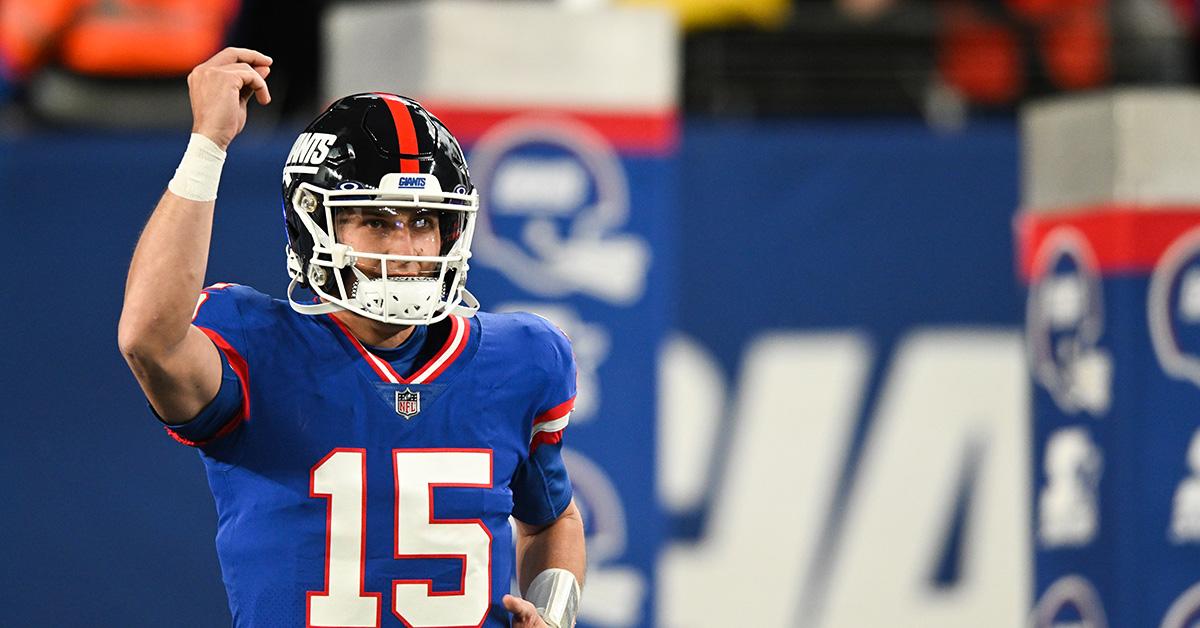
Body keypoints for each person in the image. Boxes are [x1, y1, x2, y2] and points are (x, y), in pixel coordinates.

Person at [117, 47, 585, 628]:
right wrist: (207, 145)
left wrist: (554, 614)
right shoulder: (256, 346)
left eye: (422, 222)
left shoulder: (523, 359)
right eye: (377, 220)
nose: (404, 250)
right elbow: (149, 338)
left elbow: (552, 521)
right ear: (314, 224)